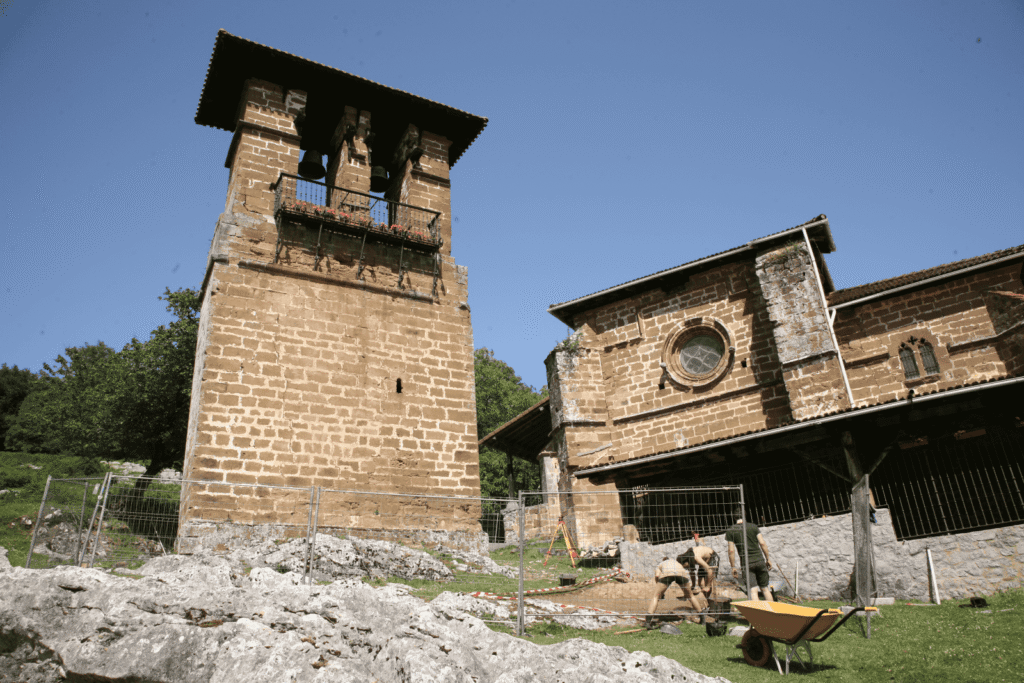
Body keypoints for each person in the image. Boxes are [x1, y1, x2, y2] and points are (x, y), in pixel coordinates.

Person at [725, 506, 774, 601]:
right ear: (745, 515)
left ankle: (757, 611)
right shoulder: (753, 526)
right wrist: (768, 558)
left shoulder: (731, 531)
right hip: (759, 560)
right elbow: (762, 543)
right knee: (765, 589)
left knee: (753, 591)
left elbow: (731, 551)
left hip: (747, 564)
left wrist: (733, 567)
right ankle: (771, 610)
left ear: (734, 517)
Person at [646, 556, 704, 627]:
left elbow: (657, 576)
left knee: (656, 597)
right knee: (690, 596)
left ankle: (648, 622)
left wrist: (660, 591)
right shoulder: (677, 563)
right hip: (681, 574)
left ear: (663, 560)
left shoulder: (661, 564)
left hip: (667, 574)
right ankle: (702, 618)